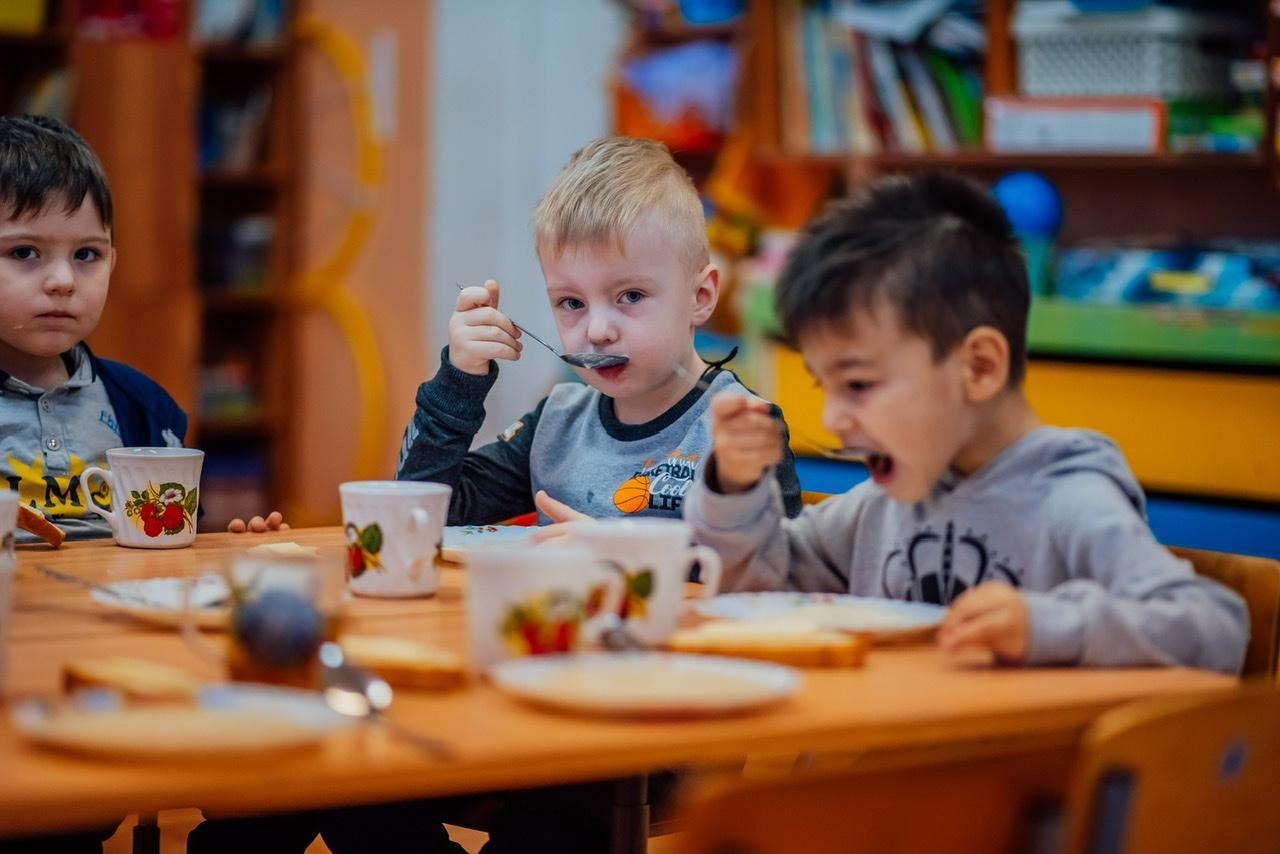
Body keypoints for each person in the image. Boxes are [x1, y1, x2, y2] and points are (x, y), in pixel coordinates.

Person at [682, 170, 1247, 674]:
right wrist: (733, 486)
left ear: (978, 367)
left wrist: (1049, 626)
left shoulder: (1070, 499)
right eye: (822, 385)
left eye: (858, 384)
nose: (833, 419)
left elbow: (1216, 627)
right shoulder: (882, 507)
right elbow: (754, 590)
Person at [395, 135, 802, 525]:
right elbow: (419, 514)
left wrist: (614, 549)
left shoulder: (740, 430)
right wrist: (459, 381)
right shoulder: (556, 425)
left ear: (700, 297)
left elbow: (774, 563)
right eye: (572, 303)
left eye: (631, 295)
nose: (598, 331)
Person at [0, 114, 285, 547]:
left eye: (86, 254)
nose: (63, 280)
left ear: (112, 263)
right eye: (24, 251)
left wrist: (236, 548)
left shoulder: (143, 406)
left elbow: (172, 541)